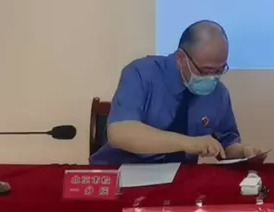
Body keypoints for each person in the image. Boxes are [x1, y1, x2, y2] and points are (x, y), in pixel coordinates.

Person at [90, 20, 263, 166]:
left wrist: (243, 152)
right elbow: (120, 132)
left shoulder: (218, 93)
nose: (212, 78)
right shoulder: (141, 73)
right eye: (206, 70)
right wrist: (189, 143)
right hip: (120, 174)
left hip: (178, 178)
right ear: (181, 58)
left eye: (219, 70)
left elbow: (226, 144)